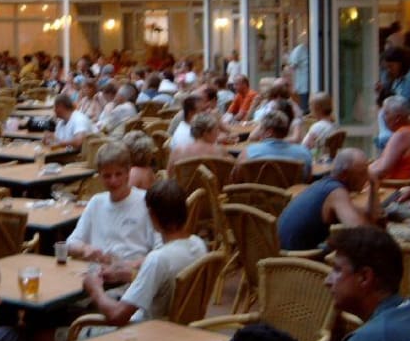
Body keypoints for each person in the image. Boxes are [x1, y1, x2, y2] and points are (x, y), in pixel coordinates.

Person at [83, 179, 207, 325]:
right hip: (183, 329)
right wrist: (134, 275)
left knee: (67, 330)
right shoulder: (199, 244)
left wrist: (95, 289)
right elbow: (167, 282)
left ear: (152, 215)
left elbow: (118, 315)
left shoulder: (158, 259)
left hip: (147, 332)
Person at [66, 142, 159, 279]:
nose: (113, 181)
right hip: (97, 276)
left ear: (128, 172)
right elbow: (71, 243)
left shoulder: (147, 202)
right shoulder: (96, 202)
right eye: (107, 176)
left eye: (118, 174)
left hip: (131, 278)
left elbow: (160, 251)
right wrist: (85, 249)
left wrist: (130, 266)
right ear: (99, 176)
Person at [277, 148, 377, 251]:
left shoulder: (324, 184)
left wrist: (374, 185)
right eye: (362, 173)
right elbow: (361, 233)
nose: (367, 177)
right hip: (298, 257)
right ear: (344, 175)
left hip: (280, 248)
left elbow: (369, 217)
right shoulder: (336, 192)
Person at [237, 107, 312, 181]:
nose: (259, 132)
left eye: (260, 129)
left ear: (269, 133)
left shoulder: (248, 152)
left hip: (255, 189)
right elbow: (308, 179)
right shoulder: (304, 153)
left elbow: (237, 177)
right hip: (294, 189)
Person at [369, 96, 410, 181]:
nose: (382, 117)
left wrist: (361, 174)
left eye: (386, 113)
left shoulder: (402, 135)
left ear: (397, 118)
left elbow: (383, 169)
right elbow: (381, 162)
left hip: (391, 185)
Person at [288, 39, 310, 113]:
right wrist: (292, 84)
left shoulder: (312, 50)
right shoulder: (300, 50)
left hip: (311, 85)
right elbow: (292, 68)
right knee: (304, 109)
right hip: (303, 85)